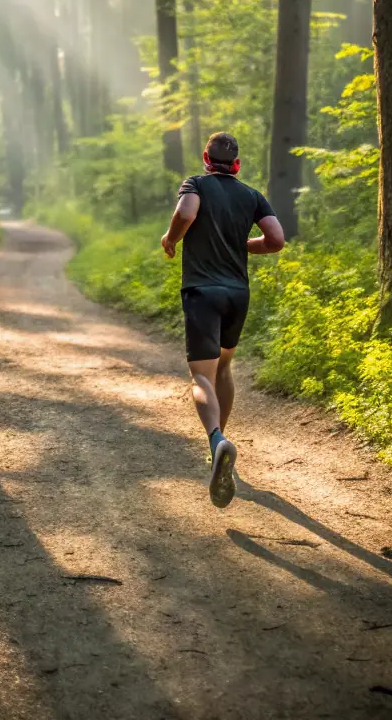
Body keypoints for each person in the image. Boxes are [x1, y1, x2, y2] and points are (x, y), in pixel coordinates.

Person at [161, 132, 285, 508]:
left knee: (202, 375)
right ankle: (221, 440)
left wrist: (171, 238)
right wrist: (242, 244)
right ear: (237, 164)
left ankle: (216, 440)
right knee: (225, 367)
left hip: (202, 292)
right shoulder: (251, 195)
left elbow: (186, 212)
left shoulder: (195, 183)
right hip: (237, 294)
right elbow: (276, 240)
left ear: (205, 157)